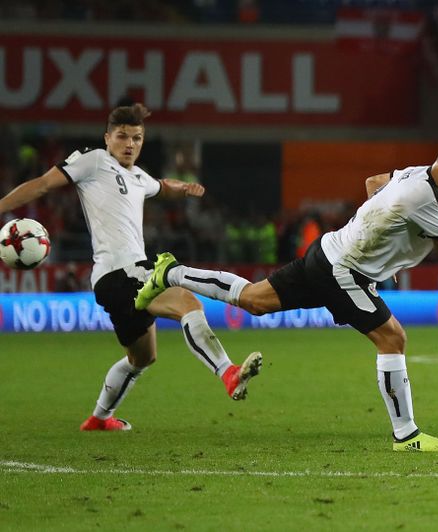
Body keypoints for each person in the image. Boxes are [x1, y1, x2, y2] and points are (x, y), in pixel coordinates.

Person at [135, 131, 438, 452]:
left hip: (327, 251)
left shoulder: (414, 173)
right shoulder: (428, 198)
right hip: (343, 272)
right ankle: (407, 435)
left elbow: (374, 183)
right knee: (392, 338)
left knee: (254, 300)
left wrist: (381, 243)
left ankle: (172, 272)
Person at [0, 104, 262, 431]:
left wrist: (183, 188)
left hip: (116, 280)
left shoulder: (138, 176)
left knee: (142, 357)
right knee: (187, 302)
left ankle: (99, 418)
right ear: (107, 138)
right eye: (122, 136)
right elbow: (42, 184)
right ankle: (228, 372)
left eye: (137, 138)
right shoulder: (94, 160)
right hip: (122, 270)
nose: (129, 144)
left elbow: (160, 186)